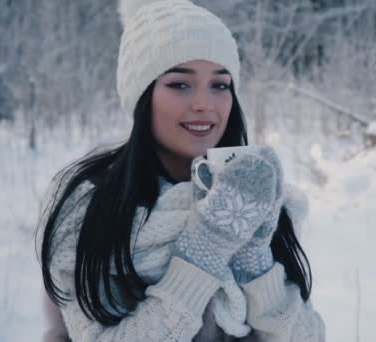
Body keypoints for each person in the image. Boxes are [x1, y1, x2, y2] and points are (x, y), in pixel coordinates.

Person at [37, 0, 326, 341]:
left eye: (220, 85)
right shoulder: (90, 212)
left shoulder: (249, 200)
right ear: (142, 94)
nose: (204, 103)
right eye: (180, 84)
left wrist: (254, 260)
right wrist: (204, 250)